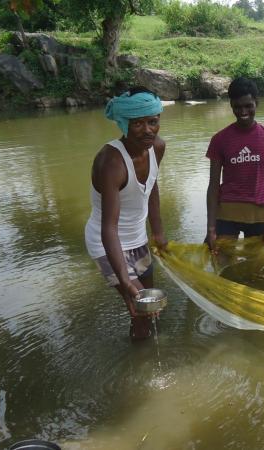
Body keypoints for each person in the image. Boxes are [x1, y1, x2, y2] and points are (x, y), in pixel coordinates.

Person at [84, 87, 167, 340]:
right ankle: (141, 361)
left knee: (148, 308)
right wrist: (124, 278)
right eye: (138, 123)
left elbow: (151, 188)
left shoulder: (158, 147)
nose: (148, 130)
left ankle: (144, 346)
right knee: (139, 306)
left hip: (138, 238)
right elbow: (109, 227)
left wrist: (159, 231)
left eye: (152, 122)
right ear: (123, 123)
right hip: (106, 242)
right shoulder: (111, 163)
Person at [205, 77, 264, 253]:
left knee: (256, 266)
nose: (243, 111)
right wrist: (211, 228)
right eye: (237, 107)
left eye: (248, 105)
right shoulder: (219, 139)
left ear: (257, 103)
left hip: (258, 212)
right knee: (224, 263)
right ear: (231, 105)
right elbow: (213, 185)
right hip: (226, 212)